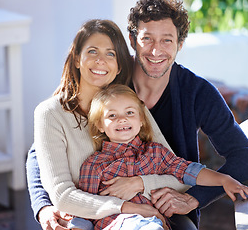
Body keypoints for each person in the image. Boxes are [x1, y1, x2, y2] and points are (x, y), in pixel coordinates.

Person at [27, 0, 248, 230]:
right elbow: (41, 152)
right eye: (147, 38)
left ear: (180, 44)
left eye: (167, 40)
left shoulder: (196, 92)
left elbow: (245, 159)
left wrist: (193, 198)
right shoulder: (108, 79)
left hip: (164, 203)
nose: (156, 51)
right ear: (132, 40)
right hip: (98, 208)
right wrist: (43, 205)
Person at [30, 18, 191, 230]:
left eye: (111, 54)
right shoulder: (50, 114)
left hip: (145, 216)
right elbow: (62, 194)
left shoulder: (130, 105)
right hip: (86, 219)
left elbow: (181, 177)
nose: (101, 60)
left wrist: (140, 183)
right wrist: (124, 207)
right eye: (92, 51)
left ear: (118, 67)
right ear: (77, 59)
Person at [68, 84, 248, 230]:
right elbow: (88, 207)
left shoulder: (155, 153)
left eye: (129, 113)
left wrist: (223, 179)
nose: (122, 119)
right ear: (100, 125)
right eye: (112, 115)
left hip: (153, 224)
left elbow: (188, 171)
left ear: (141, 120)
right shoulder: (94, 165)